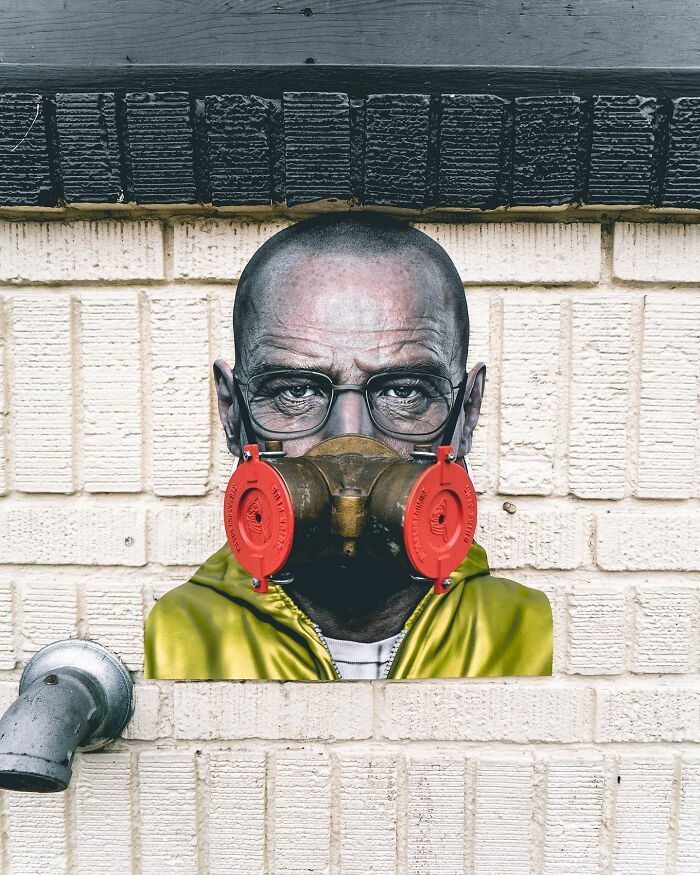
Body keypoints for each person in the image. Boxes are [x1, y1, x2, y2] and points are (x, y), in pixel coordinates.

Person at [144, 212, 552, 680]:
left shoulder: (532, 636)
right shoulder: (172, 638)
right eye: (294, 390)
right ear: (233, 412)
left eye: (404, 391)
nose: (348, 441)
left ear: (467, 413)